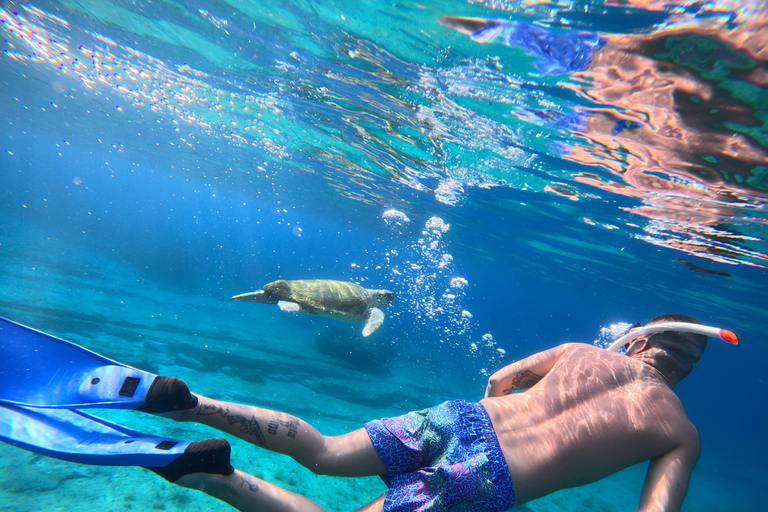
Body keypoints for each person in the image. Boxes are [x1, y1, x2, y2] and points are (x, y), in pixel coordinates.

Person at [0, 313, 734, 512]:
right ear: (685, 369)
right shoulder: (681, 432)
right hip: (491, 481)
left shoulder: (584, 349)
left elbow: (503, 378)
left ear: (636, 341)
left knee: (322, 450)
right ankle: (216, 477)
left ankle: (190, 402)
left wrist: (477, 431)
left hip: (459, 420)